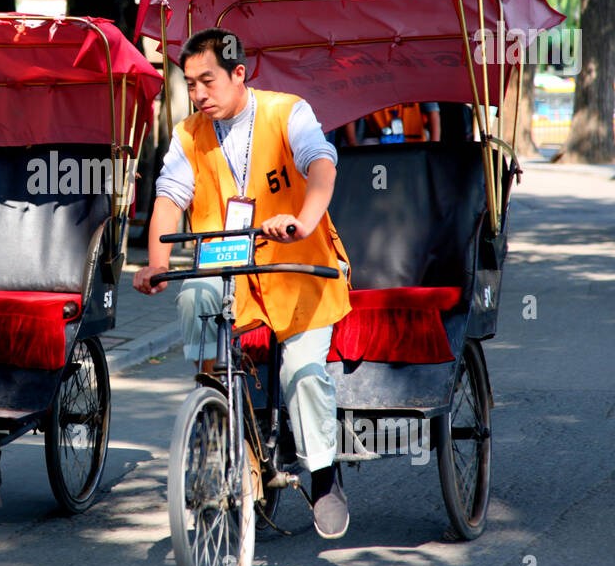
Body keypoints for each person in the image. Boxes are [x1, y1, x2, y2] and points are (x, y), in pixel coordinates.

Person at [133, 27, 354, 539]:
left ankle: (323, 476)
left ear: (239, 73)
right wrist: (155, 262)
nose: (197, 94)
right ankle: (214, 414)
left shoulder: (286, 111)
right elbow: (169, 195)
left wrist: (301, 218)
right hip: (229, 270)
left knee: (300, 369)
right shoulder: (189, 132)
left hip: (297, 272)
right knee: (194, 295)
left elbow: (321, 164)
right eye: (189, 83)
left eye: (206, 81)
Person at [360, 102, 441, 144]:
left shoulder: (416, 81)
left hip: (416, 146)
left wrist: (434, 146)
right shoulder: (375, 85)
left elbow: (433, 113)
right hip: (382, 144)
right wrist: (352, 143)